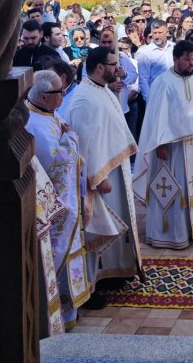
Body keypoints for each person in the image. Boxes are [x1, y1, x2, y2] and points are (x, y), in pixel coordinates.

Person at [63, 47, 143, 307]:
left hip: (115, 171)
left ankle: (113, 273)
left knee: (116, 226)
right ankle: (91, 286)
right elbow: (85, 144)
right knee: (97, 230)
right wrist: (97, 179)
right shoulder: (84, 99)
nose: (118, 69)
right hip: (99, 180)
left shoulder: (102, 90)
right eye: (113, 64)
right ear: (100, 68)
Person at [133, 41, 193, 249]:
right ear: (175, 59)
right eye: (186, 59)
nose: (191, 63)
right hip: (174, 147)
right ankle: (175, 234)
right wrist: (160, 144)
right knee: (176, 189)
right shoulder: (163, 82)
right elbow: (156, 116)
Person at [24, 70, 89, 328]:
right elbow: (54, 162)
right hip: (54, 207)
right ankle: (60, 314)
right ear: (43, 96)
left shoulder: (48, 113)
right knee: (56, 255)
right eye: (59, 91)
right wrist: (71, 138)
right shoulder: (33, 124)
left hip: (67, 199)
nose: (64, 95)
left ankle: (71, 309)